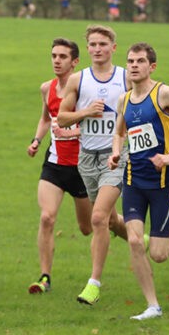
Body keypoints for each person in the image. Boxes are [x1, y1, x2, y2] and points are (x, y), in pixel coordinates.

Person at [109, 42, 169, 320]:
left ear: (152, 66)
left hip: (162, 182)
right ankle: (153, 306)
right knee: (136, 242)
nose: (133, 65)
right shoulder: (123, 100)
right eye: (130, 61)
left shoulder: (164, 93)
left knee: (159, 255)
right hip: (133, 179)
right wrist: (115, 153)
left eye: (139, 61)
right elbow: (119, 133)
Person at [56, 25, 129, 306]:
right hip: (87, 157)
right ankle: (142, 238)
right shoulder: (78, 79)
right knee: (109, 219)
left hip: (117, 156)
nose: (98, 49)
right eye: (93, 44)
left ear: (113, 47)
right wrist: (86, 112)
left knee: (97, 218)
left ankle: (93, 284)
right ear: (87, 49)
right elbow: (62, 118)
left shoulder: (125, 77)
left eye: (103, 44)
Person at [26, 38, 92, 294]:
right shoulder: (47, 88)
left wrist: (74, 126)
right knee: (46, 217)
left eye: (63, 57)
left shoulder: (85, 89)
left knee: (90, 227)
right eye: (54, 55)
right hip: (54, 165)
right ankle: (45, 277)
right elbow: (46, 119)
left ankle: (130, 232)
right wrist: (36, 140)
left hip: (83, 167)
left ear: (75, 62)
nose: (56, 60)